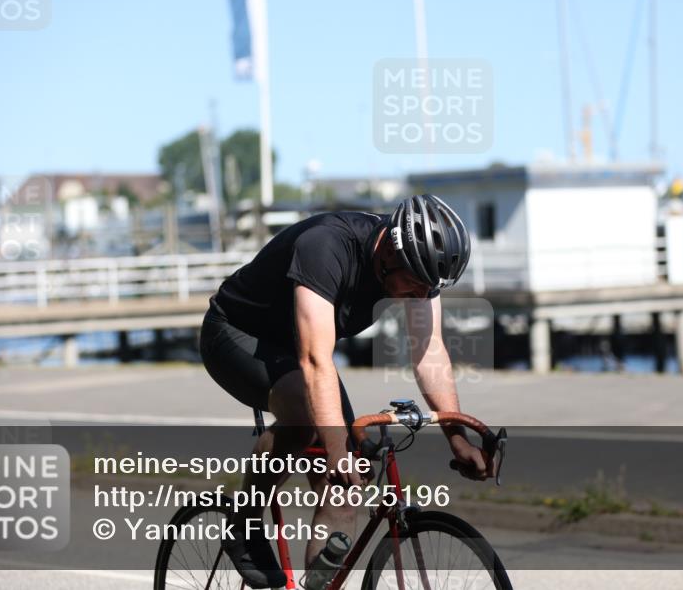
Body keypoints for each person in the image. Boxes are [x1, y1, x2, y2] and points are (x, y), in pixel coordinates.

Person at [199, 194, 492, 588]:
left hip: (302, 349)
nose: (420, 296)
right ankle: (244, 523)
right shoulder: (327, 247)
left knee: (344, 491)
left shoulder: (417, 269)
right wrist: (338, 453)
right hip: (236, 333)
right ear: (389, 249)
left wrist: (456, 436)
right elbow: (316, 362)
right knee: (306, 423)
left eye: (430, 289)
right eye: (416, 284)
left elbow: (428, 351)